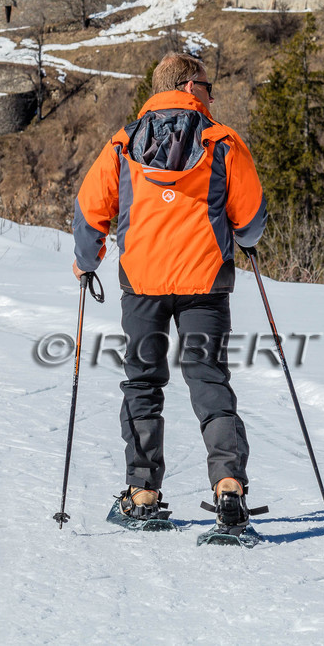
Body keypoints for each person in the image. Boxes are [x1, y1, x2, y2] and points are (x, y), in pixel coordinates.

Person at [72, 53, 266, 536]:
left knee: (142, 382)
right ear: (187, 84)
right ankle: (228, 489)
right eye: (207, 84)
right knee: (208, 381)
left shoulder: (122, 142)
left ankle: (142, 495)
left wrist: (86, 261)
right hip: (205, 282)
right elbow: (252, 218)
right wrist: (242, 238)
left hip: (142, 284)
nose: (212, 94)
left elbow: (90, 208)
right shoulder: (221, 141)